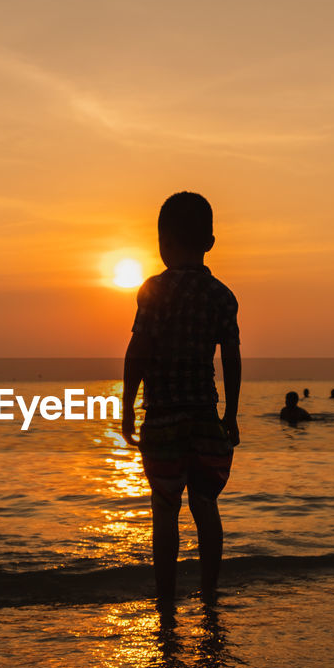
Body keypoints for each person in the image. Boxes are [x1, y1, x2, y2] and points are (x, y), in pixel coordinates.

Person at [122, 192, 240, 611]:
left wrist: (125, 408)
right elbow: (231, 357)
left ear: (163, 243)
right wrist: (231, 413)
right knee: (205, 504)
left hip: (164, 418)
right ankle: (209, 594)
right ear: (209, 241)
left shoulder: (153, 291)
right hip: (206, 417)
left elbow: (138, 352)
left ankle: (166, 602)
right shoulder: (222, 296)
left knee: (165, 508)